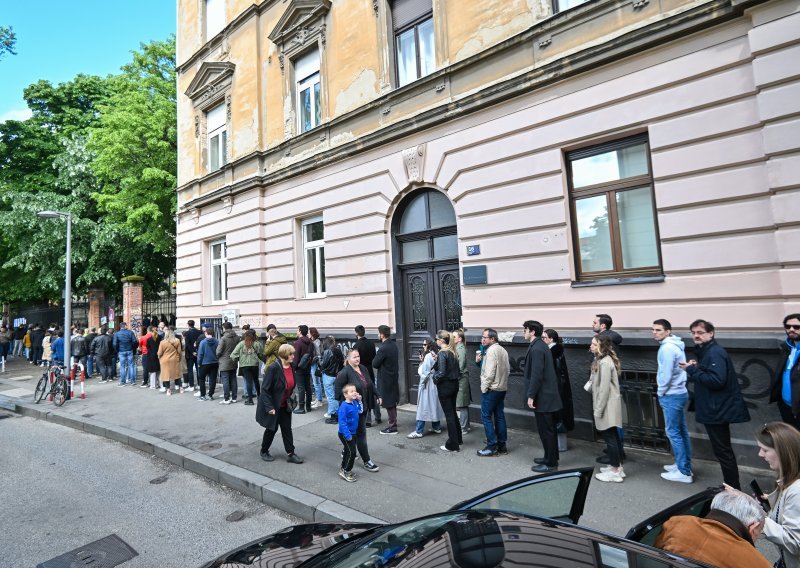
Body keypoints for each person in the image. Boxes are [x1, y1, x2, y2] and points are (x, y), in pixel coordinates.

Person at [680, 319, 750, 489]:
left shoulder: (714, 352)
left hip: (717, 409)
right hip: (715, 408)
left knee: (723, 451)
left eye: (700, 332)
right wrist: (698, 367)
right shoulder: (707, 351)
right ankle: (730, 486)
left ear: (711, 334)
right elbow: (712, 374)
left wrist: (691, 370)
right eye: (693, 332)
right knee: (722, 450)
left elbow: (717, 381)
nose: (696, 335)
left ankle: (732, 489)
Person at [655, 490, 770, 568]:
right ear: (753, 527)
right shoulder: (758, 563)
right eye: (758, 534)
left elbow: (656, 554)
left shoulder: (676, 523)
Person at [652, 319, 693, 484]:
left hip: (671, 394)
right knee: (681, 432)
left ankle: (684, 472)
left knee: (674, 433)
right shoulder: (673, 345)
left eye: (659, 330)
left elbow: (666, 374)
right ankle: (683, 466)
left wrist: (661, 391)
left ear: (668, 331)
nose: (655, 332)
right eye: (653, 330)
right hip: (678, 393)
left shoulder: (667, 349)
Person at [755, 421, 800, 568]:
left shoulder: (797, 490)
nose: (760, 454)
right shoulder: (791, 478)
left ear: (782, 451)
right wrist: (770, 500)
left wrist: (755, 515)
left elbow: (794, 542)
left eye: (765, 450)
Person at [524, 320, 562, 472]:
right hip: (546, 396)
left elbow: (537, 374)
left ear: (532, 331)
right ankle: (549, 457)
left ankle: (551, 463)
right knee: (547, 430)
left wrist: (531, 395)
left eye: (525, 330)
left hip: (544, 397)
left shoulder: (537, 348)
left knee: (547, 430)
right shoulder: (539, 346)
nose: (523, 333)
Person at [256, 343, 304, 464]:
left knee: (287, 429)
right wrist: (269, 407)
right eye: (291, 354)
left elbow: (290, 385)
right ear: (284, 355)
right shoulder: (274, 368)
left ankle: (291, 454)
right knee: (272, 429)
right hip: (274, 405)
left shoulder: (291, 366)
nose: (293, 356)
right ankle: (264, 450)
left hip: (285, 404)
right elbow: (265, 389)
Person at [335, 349, 381, 472]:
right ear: (348, 358)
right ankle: (367, 460)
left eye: (358, 356)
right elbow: (337, 391)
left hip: (363, 406)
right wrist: (350, 397)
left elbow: (370, 383)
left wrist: (378, 395)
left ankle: (348, 449)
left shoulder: (363, 368)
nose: (357, 359)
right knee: (361, 434)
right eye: (354, 357)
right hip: (352, 409)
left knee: (357, 432)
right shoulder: (344, 372)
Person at [591, 335, 625, 483]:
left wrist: (598, 410)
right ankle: (616, 467)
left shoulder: (604, 362)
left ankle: (615, 471)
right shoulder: (603, 360)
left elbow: (604, 389)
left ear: (600, 346)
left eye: (593, 344)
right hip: (609, 404)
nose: (590, 346)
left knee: (610, 438)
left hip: (607, 406)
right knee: (613, 437)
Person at [476, 328, 510, 457]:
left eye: (485, 337)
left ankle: (491, 447)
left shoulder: (491, 351)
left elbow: (489, 374)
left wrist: (484, 387)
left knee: (486, 417)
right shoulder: (503, 350)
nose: (482, 339)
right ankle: (502, 446)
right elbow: (508, 371)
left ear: (492, 339)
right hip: (501, 388)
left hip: (492, 389)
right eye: (482, 337)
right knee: (499, 416)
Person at [542, 329, 574, 448]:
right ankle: (558, 446)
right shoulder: (554, 352)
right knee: (557, 418)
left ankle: (558, 447)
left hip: (556, 391)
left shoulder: (554, 353)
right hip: (558, 391)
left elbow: (556, 375)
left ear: (551, 339)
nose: (542, 340)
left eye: (544, 338)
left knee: (557, 419)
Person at [407, 337, 444, 439]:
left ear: (428, 345)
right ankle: (436, 427)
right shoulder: (435, 354)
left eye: (424, 345)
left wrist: (421, 362)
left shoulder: (428, 356)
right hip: (434, 383)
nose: (422, 346)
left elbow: (423, 371)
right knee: (433, 404)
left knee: (423, 406)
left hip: (428, 383)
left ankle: (419, 430)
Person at [432, 330, 462, 453]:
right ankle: (458, 438)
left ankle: (452, 444)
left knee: (449, 415)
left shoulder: (443, 353)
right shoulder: (452, 352)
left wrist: (434, 378)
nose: (436, 341)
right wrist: (437, 361)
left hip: (445, 387)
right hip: (454, 384)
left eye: (436, 339)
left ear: (442, 341)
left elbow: (441, 372)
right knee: (453, 413)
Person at [771, 313, 800, 430]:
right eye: (788, 327)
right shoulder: (786, 347)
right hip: (786, 406)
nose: (791, 329)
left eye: (796, 327)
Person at [373, 325, 400, 435]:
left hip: (385, 378)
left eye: (378, 333)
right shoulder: (393, 345)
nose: (378, 335)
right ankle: (393, 423)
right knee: (392, 401)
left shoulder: (383, 348)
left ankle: (392, 427)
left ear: (382, 334)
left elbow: (375, 363)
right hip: (393, 376)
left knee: (389, 402)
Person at [354, 325, 380, 426]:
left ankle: (368, 420)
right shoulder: (371, 343)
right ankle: (377, 416)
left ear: (356, 333)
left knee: (364, 394)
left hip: (361, 370)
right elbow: (374, 356)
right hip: (370, 369)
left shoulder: (356, 345)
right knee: (373, 392)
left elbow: (356, 360)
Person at [231, 329, 264, 405]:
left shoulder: (241, 343)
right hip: (254, 364)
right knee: (256, 380)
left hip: (244, 365)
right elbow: (262, 353)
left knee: (248, 381)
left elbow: (233, 354)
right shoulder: (257, 343)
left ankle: (250, 400)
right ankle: (259, 397)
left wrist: (238, 359)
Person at [338, 383, 363, 483]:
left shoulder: (355, 403)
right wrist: (347, 435)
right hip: (345, 434)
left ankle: (343, 468)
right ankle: (347, 471)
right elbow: (342, 423)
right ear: (345, 395)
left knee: (348, 451)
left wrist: (360, 400)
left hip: (353, 432)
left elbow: (360, 411)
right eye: (351, 391)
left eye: (355, 390)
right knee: (352, 452)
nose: (354, 392)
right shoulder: (344, 407)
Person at [320, 336, 345, 424]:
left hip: (329, 375)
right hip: (337, 375)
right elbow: (342, 362)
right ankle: (337, 414)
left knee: (331, 396)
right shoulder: (338, 350)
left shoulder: (327, 351)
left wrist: (319, 360)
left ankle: (333, 415)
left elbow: (323, 364)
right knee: (336, 395)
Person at [452, 329, 472, 434]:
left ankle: (463, 427)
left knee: (462, 404)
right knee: (463, 404)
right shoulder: (458, 348)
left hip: (461, 379)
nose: (452, 338)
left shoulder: (460, 349)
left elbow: (460, 366)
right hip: (461, 379)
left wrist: (454, 377)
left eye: (454, 337)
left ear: (459, 339)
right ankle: (466, 426)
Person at [216, 322, 240, 404]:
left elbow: (218, 351)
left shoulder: (224, 338)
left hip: (224, 361)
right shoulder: (237, 337)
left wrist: (218, 355)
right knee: (233, 379)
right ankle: (234, 398)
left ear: (224, 328)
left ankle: (226, 399)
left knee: (225, 379)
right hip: (234, 360)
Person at [293, 325, 315, 414]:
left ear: (300, 332)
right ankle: (308, 406)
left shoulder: (298, 343)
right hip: (308, 367)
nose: (296, 332)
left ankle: (301, 407)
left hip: (299, 368)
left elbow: (295, 357)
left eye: (297, 330)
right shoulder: (311, 342)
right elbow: (312, 356)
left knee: (301, 388)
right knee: (308, 387)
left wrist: (294, 367)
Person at [157, 327, 183, 395]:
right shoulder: (177, 341)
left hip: (165, 360)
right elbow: (179, 351)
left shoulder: (162, 342)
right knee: (177, 374)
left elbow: (160, 353)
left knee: (166, 375)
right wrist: (179, 358)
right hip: (175, 359)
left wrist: (159, 357)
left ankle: (168, 390)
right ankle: (181, 388)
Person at [196, 328, 219, 401]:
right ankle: (210, 395)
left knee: (202, 379)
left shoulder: (203, 342)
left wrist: (199, 363)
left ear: (206, 333)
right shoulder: (217, 341)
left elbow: (200, 354)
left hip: (204, 363)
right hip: (214, 362)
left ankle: (203, 395)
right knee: (212, 379)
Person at [182, 320, 203, 392]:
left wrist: (192, 352)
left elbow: (187, 344)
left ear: (188, 324)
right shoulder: (200, 332)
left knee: (190, 370)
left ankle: (191, 386)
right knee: (198, 369)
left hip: (190, 354)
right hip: (198, 353)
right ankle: (199, 385)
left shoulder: (187, 333)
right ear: (194, 324)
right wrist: (196, 351)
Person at [309, 327, 324, 409]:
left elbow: (319, 354)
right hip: (315, 363)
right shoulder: (315, 341)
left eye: (309, 333)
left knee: (316, 382)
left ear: (312, 334)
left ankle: (319, 400)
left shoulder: (316, 342)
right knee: (316, 382)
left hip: (315, 364)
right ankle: (318, 399)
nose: (307, 334)